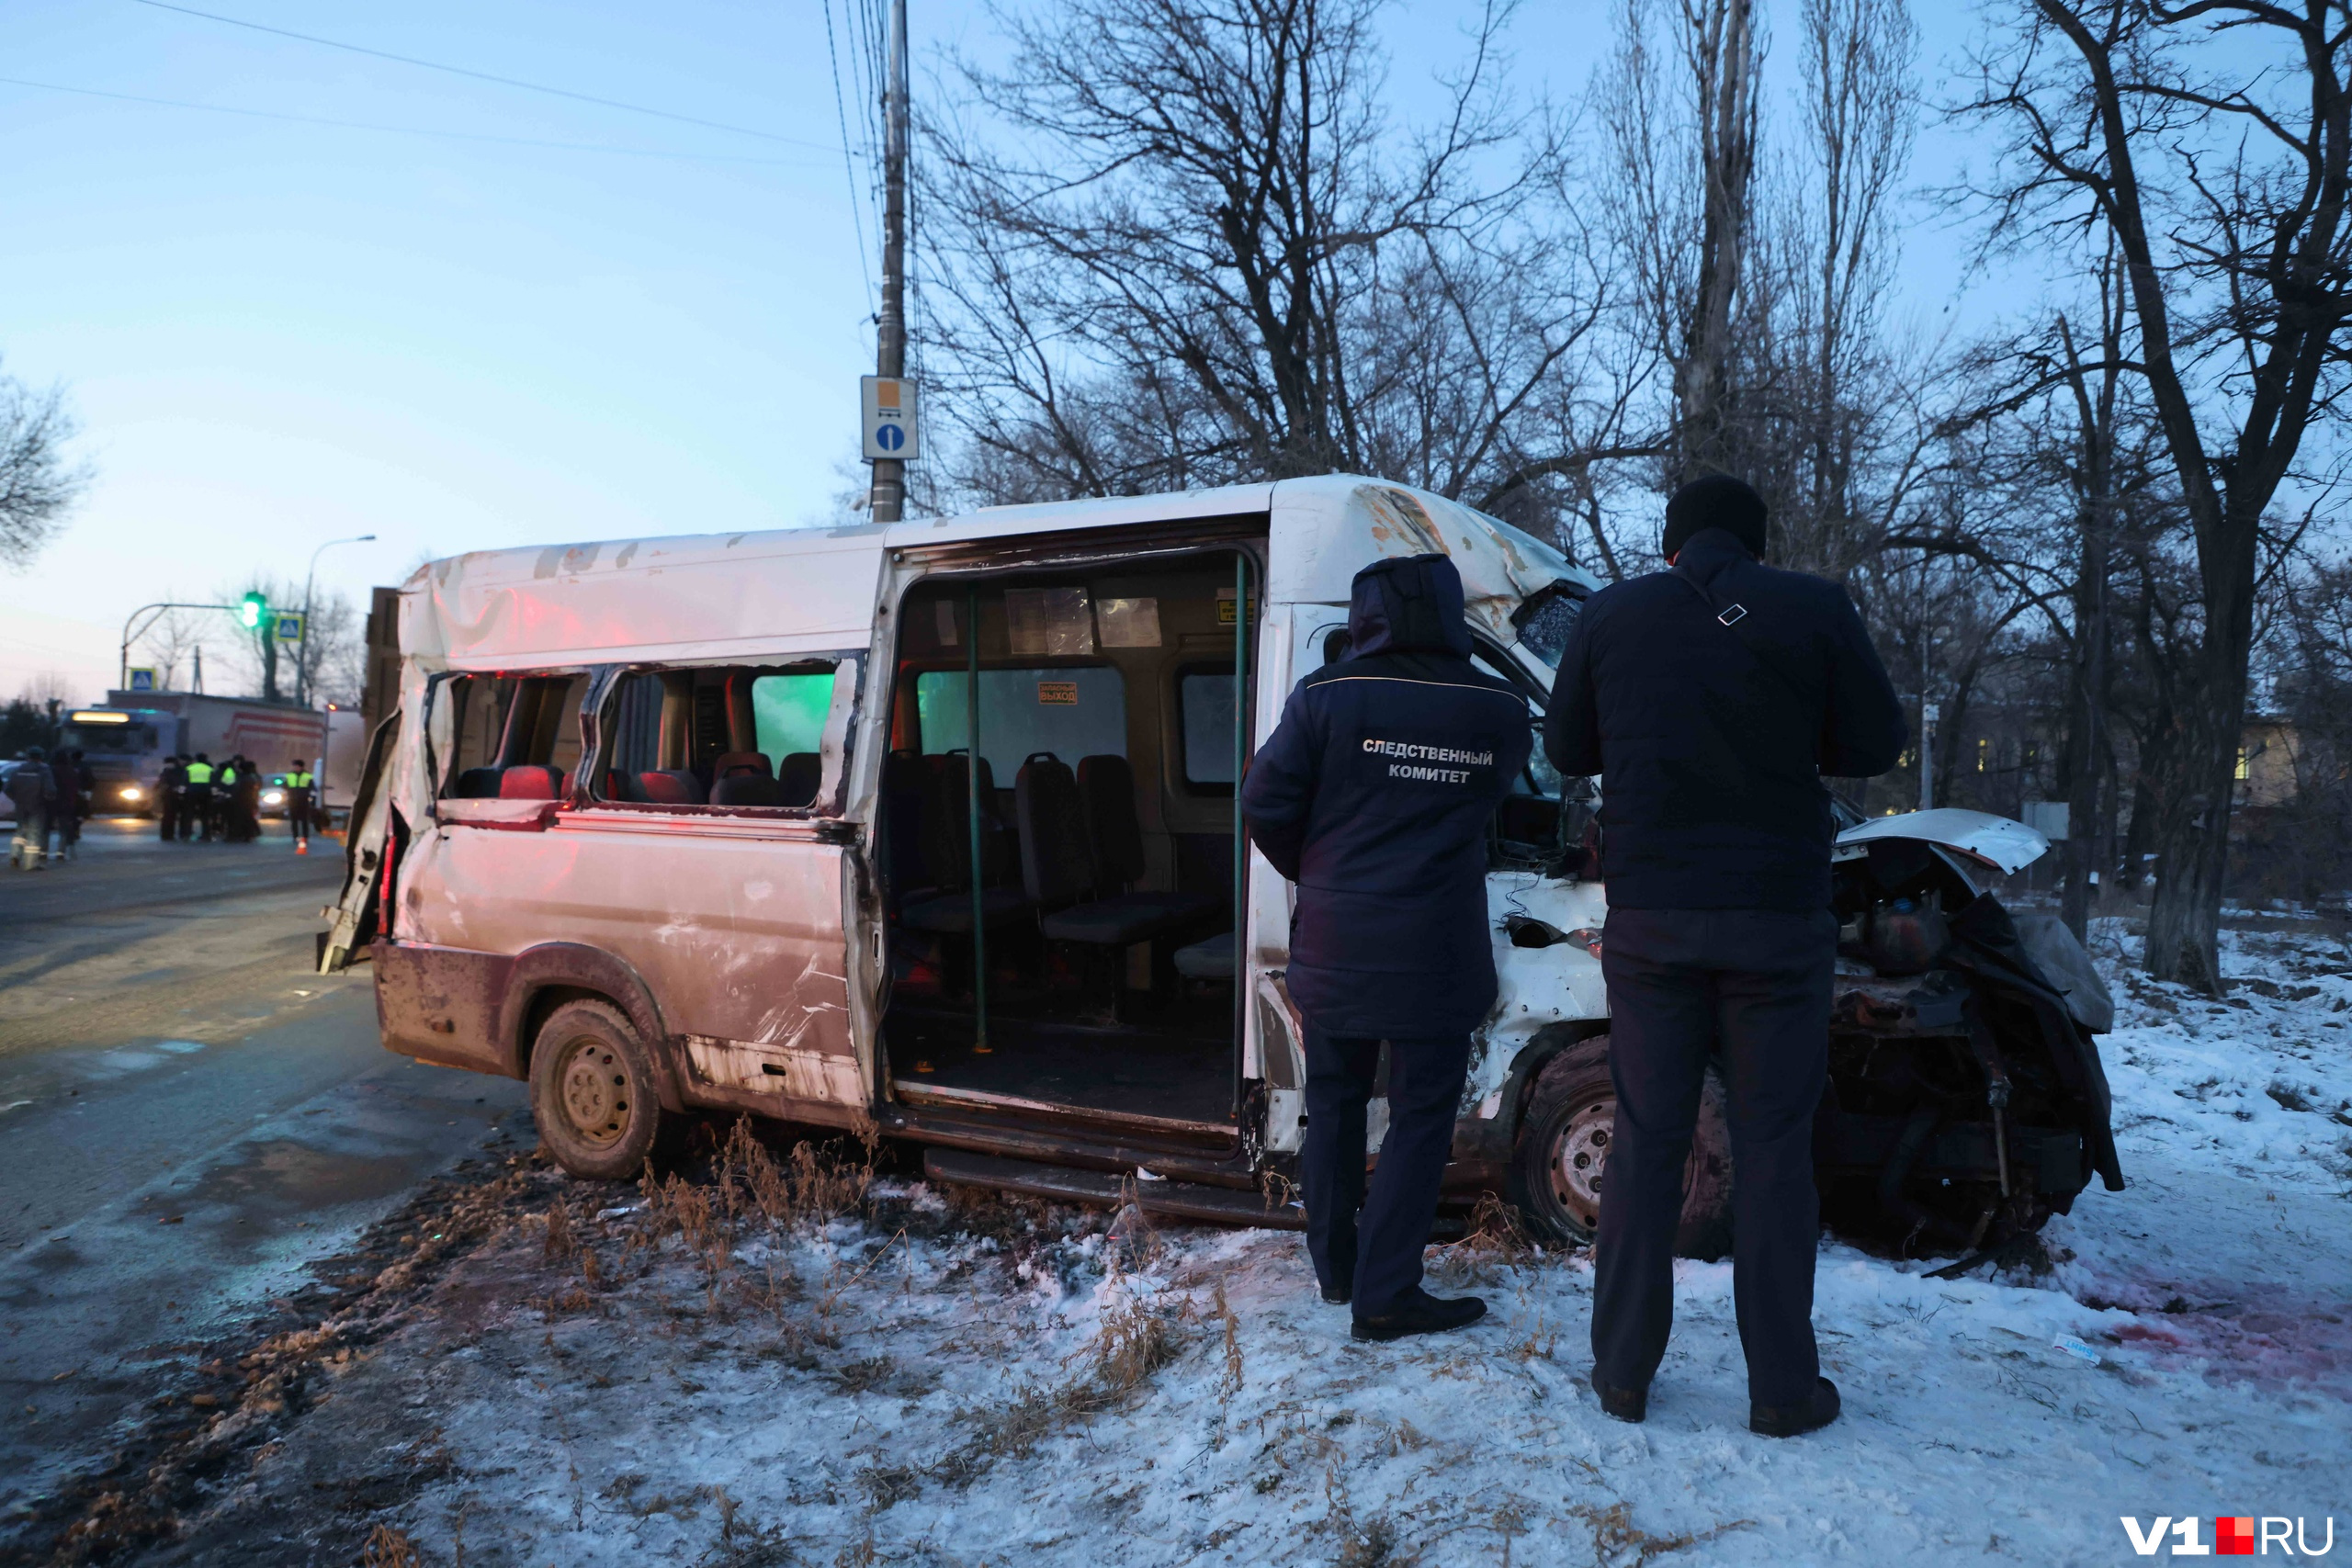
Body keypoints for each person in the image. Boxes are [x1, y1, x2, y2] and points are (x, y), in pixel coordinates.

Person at [1544, 474, 1905, 1438]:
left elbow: (1569, 749)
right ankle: (1783, 1391)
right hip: (1777, 924)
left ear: (1671, 545)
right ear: (1754, 542)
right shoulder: (1814, 606)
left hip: (1653, 922)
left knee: (1648, 1141)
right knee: (1776, 1147)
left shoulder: (1610, 616)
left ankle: (1621, 1373)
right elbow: (1876, 740)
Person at [1239, 552, 1532, 1342]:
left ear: (1367, 616)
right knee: (1420, 1116)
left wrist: (1320, 871)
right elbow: (1495, 802)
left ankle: (1337, 1271)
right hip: (1438, 947)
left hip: (1338, 941)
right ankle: (1388, 1289)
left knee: (1331, 1101)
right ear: (1446, 612)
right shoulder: (1498, 707)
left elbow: (1261, 800)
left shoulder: (1327, 696)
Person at [7, 747, 55, 872]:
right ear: (41, 757)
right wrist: (47, 800)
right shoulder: (44, 770)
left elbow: (8, 789)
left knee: (20, 831)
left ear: (28, 757)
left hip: (20, 805)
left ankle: (15, 855)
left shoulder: (18, 770)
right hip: (37, 806)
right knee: (34, 833)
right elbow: (50, 790)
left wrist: (17, 798)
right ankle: (30, 863)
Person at [51, 749, 85, 863]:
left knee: (43, 830)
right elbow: (76, 789)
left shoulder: (50, 770)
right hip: (67, 804)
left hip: (50, 804)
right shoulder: (71, 772)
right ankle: (61, 853)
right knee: (64, 830)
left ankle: (41, 853)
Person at [284, 757, 317, 853]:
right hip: (292, 800)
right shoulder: (289, 775)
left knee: (304, 820)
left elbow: (313, 787)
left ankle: (305, 836)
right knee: (293, 819)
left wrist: (309, 795)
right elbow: (285, 785)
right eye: (294, 766)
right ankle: (295, 836)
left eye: (296, 766)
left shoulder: (307, 776)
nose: (295, 768)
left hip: (303, 800)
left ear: (301, 767)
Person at [184, 752, 216, 841]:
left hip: (192, 792)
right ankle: (206, 835)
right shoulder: (209, 769)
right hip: (205, 793)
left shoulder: (190, 768)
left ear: (196, 759)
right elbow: (213, 782)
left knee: (189, 814)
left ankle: (187, 834)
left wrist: (182, 793)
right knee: (205, 815)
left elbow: (185, 781)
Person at [159, 753, 187, 841]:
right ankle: (168, 834)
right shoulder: (168, 771)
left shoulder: (174, 771)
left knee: (170, 816)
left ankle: (168, 834)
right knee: (171, 816)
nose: (167, 765)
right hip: (172, 796)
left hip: (173, 795)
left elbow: (166, 782)